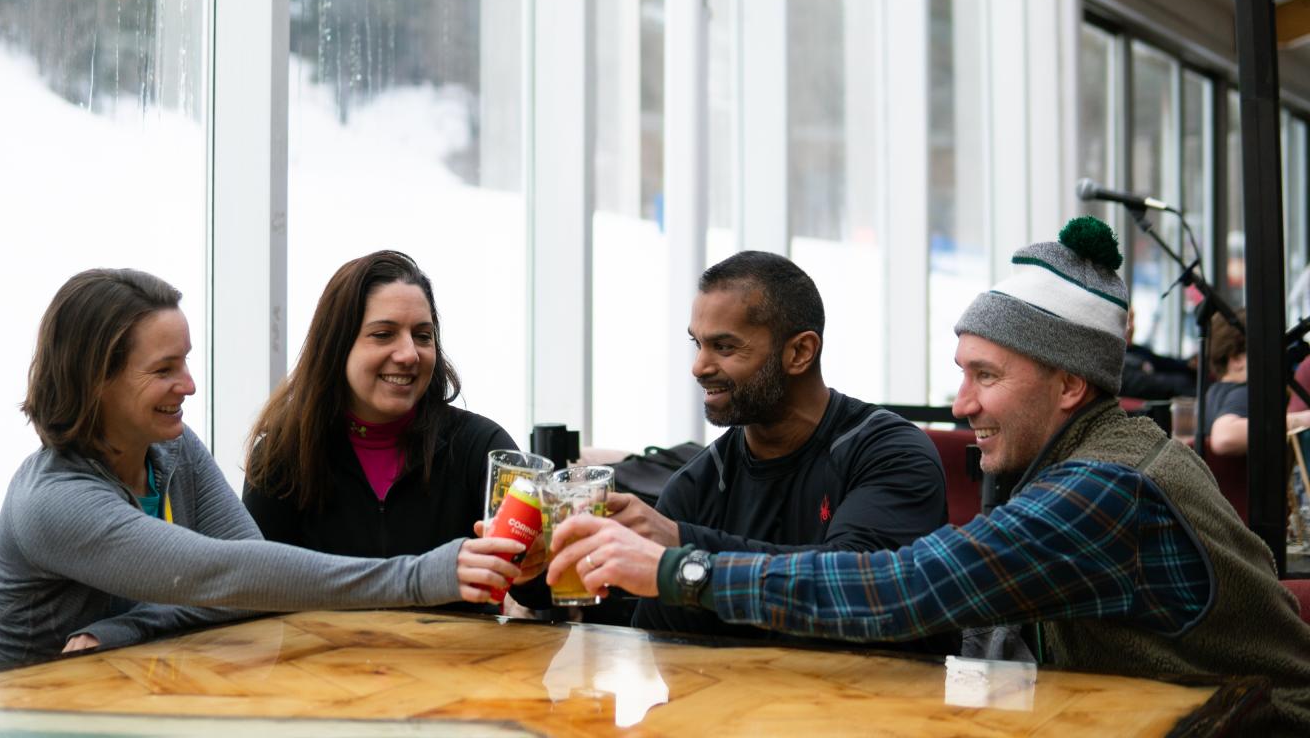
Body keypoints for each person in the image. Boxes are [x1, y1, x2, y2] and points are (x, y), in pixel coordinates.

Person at [549, 218, 1310, 733]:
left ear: (1070, 385)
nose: (961, 404)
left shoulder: (1104, 488)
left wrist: (683, 567)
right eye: (962, 373)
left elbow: (901, 590)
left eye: (987, 375)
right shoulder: (1086, 458)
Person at [0, 269, 530, 670]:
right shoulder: (55, 501)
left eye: (185, 361)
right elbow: (226, 573)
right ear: (96, 381)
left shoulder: (174, 452)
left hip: (103, 701)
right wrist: (426, 574)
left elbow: (248, 587)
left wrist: (125, 629)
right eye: (164, 370)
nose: (189, 385)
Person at [603, 250, 947, 640]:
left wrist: (684, 547)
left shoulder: (891, 455)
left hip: (879, 698)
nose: (699, 366)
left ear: (799, 352)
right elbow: (668, 654)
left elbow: (857, 584)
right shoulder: (694, 488)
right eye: (697, 344)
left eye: (725, 347)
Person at [242, 250, 545, 609]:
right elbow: (255, 590)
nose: (409, 354)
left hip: (457, 663)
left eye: (422, 336)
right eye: (384, 334)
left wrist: (533, 570)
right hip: (323, 661)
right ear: (337, 347)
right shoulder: (283, 454)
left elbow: (543, 597)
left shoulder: (480, 447)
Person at [1204, 307, 1310, 456]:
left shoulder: (1213, 393)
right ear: (1236, 359)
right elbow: (1224, 437)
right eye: (1266, 350)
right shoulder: (1244, 393)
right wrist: (1304, 419)